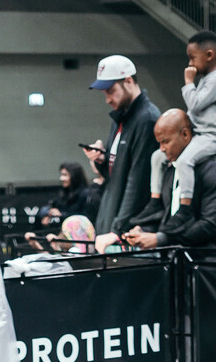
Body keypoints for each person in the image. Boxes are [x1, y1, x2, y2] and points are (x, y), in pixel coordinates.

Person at [121, 109, 216, 252]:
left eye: (166, 142)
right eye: (159, 143)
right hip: (176, 257)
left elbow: (208, 226)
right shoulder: (172, 168)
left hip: (211, 259)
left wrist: (161, 239)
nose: (162, 149)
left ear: (185, 134)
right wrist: (143, 230)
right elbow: (166, 216)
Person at [82, 54, 160, 247]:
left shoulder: (147, 120)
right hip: (111, 223)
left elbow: (138, 183)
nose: (107, 99)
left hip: (129, 233)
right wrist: (101, 160)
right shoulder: (120, 119)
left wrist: (117, 231)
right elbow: (116, 175)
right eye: (104, 93)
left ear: (128, 81)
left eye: (111, 91)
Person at [174, 30, 216, 212]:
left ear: (209, 55)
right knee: (161, 156)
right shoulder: (207, 80)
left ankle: (185, 206)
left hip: (213, 136)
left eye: (193, 58)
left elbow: (195, 105)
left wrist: (188, 82)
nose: (190, 64)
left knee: (184, 162)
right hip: (201, 134)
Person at [34, 162, 100, 227]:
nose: (61, 178)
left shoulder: (87, 195)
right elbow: (49, 206)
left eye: (65, 175)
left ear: (74, 176)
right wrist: (47, 213)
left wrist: (62, 215)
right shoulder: (63, 193)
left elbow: (86, 218)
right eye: (62, 175)